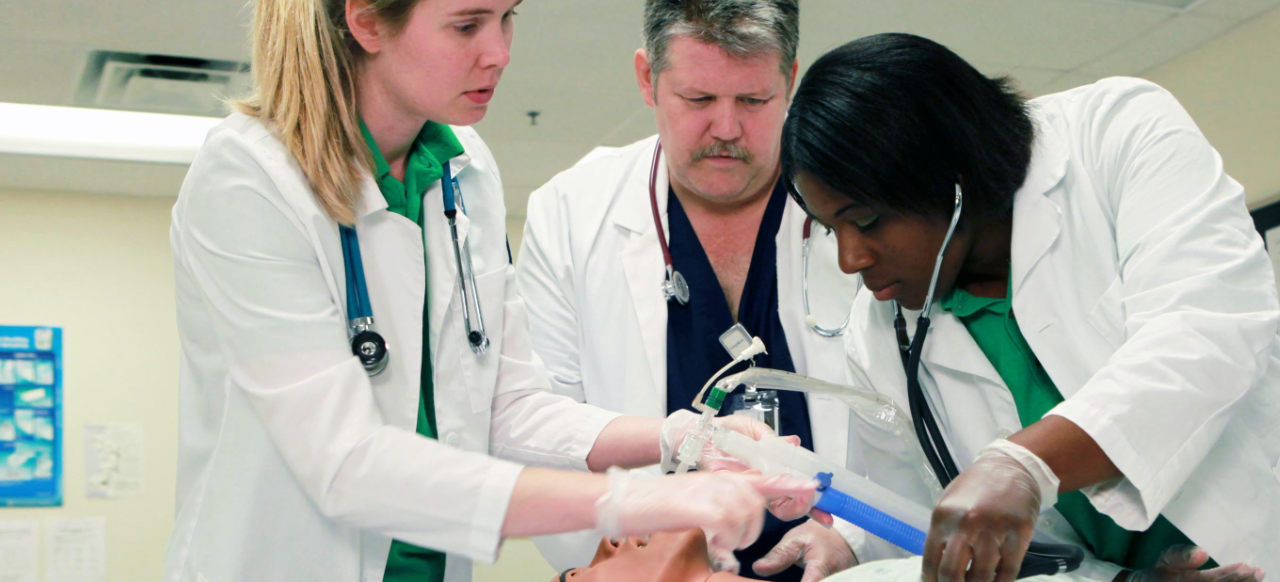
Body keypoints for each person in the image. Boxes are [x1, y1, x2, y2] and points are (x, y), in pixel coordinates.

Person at [164, 1, 815, 580]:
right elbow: (345, 461)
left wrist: (690, 438)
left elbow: (508, 408)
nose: (499, 52)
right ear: (365, 21)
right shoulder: (248, 178)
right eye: (467, 24)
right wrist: (634, 500)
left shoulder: (462, 170)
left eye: (508, 18)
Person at [781, 33, 1280, 582]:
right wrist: (852, 542)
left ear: (950, 181)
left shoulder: (1118, 134)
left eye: (865, 220)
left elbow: (1206, 332)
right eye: (830, 228)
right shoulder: (883, 337)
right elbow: (933, 523)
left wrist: (1025, 464)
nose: (852, 259)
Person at [515, 2, 862, 581]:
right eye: (698, 100)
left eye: (753, 101)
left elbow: (910, 424)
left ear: (791, 79)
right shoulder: (573, 212)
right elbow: (540, 431)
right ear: (647, 79)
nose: (726, 128)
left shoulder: (856, 199)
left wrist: (855, 541)